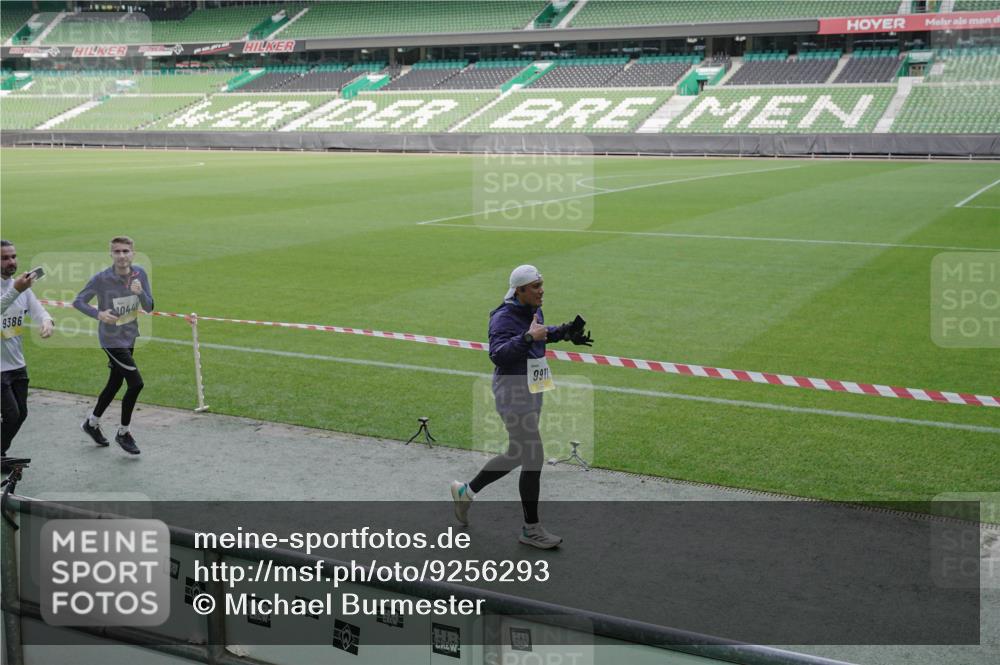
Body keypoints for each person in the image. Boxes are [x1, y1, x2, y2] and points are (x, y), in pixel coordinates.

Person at [451, 265, 593, 549]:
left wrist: (566, 332)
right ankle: (531, 529)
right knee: (533, 456)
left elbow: (541, 332)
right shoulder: (503, 317)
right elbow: (499, 355)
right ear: (520, 291)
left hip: (532, 390)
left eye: (541, 284)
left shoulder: (533, 310)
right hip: (513, 393)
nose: (542, 290)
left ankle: (466, 492)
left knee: (517, 453)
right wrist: (528, 338)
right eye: (536, 286)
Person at [73, 236, 153, 455]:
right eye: (117, 251)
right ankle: (123, 432)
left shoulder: (140, 274)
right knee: (136, 383)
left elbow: (150, 306)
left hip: (130, 336)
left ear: (133, 254)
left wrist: (140, 293)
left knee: (115, 383)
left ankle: (91, 423)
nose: (121, 255)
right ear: (111, 254)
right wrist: (98, 314)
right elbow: (78, 301)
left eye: (125, 251)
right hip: (111, 340)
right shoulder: (101, 279)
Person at [1, 240, 55, 462]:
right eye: (5, 258)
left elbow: (38, 309)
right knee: (11, 414)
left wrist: (47, 321)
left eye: (13, 256)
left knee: (21, 414)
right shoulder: (17, 288)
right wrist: (16, 290)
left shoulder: (20, 287)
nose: (11, 262)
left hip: (17, 363)